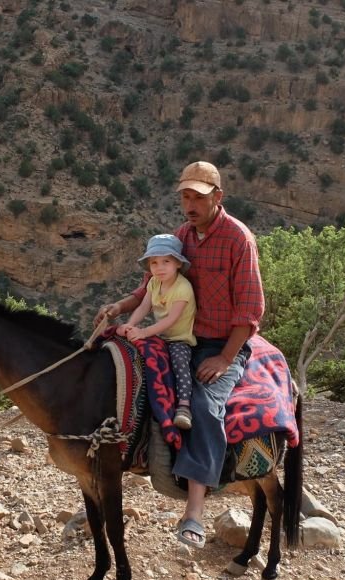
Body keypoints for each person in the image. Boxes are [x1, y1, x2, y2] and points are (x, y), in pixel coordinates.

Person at [96, 161, 265, 548]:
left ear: (217, 197)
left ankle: (193, 511)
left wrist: (224, 358)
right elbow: (149, 287)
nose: (190, 204)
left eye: (199, 197)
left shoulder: (239, 239)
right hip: (176, 337)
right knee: (123, 382)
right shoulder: (179, 237)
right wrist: (118, 309)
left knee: (204, 406)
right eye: (185, 196)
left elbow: (251, 308)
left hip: (220, 344)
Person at [117, 234, 196, 430]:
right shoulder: (153, 282)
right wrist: (130, 324)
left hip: (179, 338)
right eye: (154, 263)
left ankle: (184, 407)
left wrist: (143, 332)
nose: (159, 267)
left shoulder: (183, 288)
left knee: (179, 362)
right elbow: (144, 307)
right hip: (159, 335)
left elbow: (172, 319)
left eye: (166, 261)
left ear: (178, 263)